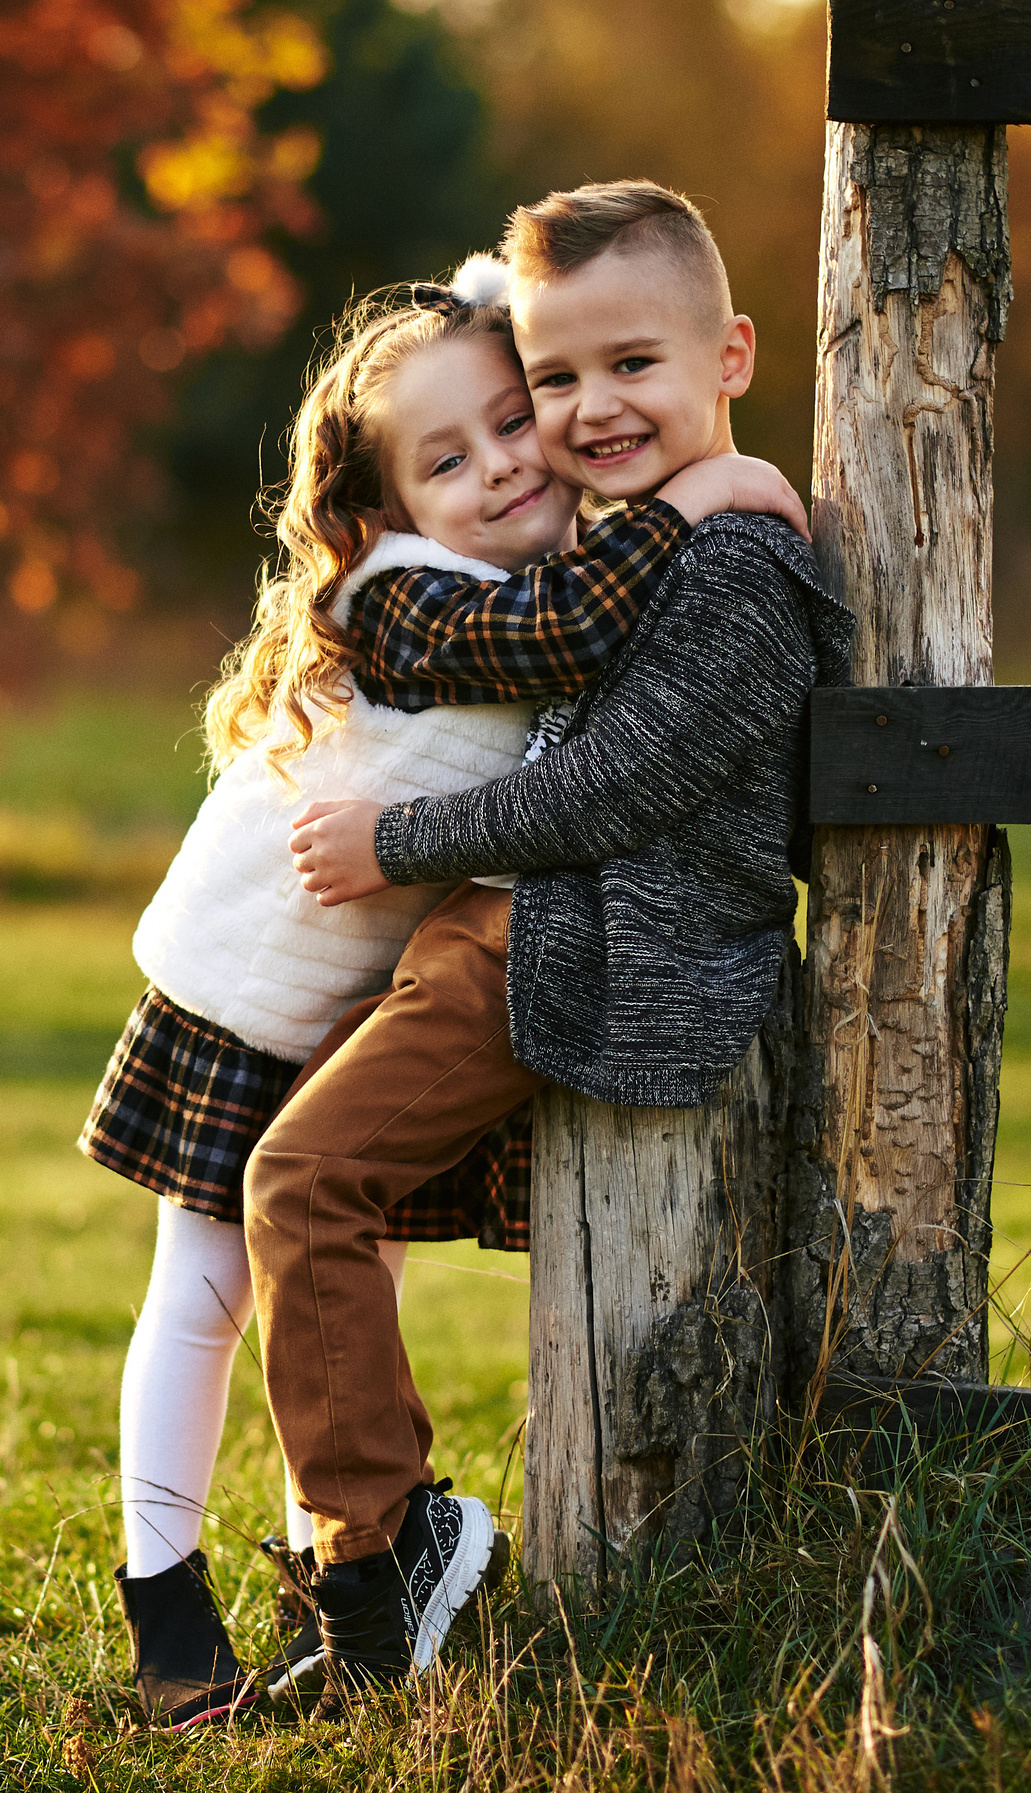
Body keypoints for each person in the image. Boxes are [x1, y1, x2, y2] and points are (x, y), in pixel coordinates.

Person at [78, 256, 810, 1728]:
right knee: (206, 1292)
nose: (496, 469)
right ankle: (166, 1609)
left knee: (333, 1280)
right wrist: (705, 490)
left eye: (508, 423)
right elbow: (576, 636)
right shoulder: (411, 600)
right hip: (242, 1001)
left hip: (350, 995)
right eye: (445, 458)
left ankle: (344, 1573)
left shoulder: (541, 567)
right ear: (386, 509)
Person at [259, 180, 856, 1715]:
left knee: (301, 1180)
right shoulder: (645, 539)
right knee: (299, 1188)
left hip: (579, 947)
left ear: (730, 354)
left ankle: (382, 1555)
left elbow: (617, 786)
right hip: (505, 933)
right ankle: (352, 1568)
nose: (591, 410)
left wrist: (397, 844)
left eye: (633, 367)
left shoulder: (739, 570)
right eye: (558, 379)